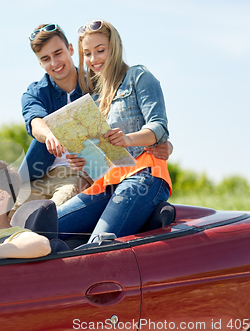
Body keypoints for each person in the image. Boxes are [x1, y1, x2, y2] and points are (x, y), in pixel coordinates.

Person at [13, 23, 172, 217]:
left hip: (82, 176)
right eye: (46, 59)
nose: (54, 63)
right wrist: (49, 136)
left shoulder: (98, 82)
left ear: (71, 49)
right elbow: (35, 121)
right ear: (40, 63)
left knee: (46, 218)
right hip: (40, 174)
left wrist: (163, 143)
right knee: (3, 214)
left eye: (58, 53)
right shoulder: (35, 91)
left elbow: (133, 119)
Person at [57, 20, 173, 243]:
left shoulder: (138, 76)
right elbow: (100, 159)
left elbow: (159, 126)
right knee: (46, 228)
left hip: (143, 176)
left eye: (100, 51)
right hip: (108, 182)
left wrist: (127, 139)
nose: (94, 59)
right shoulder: (95, 99)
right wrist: (82, 159)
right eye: (88, 54)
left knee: (98, 244)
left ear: (115, 48)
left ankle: (150, 215)